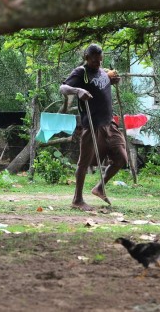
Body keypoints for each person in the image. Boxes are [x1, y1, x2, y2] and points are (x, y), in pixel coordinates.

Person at [60, 43, 127, 211]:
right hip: (92, 125)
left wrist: (112, 81)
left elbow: (100, 85)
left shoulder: (103, 71)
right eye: (95, 61)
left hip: (109, 123)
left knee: (121, 158)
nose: (98, 63)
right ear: (86, 58)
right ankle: (77, 199)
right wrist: (77, 91)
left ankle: (99, 187)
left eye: (100, 60)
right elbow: (63, 88)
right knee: (83, 163)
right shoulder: (81, 72)